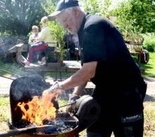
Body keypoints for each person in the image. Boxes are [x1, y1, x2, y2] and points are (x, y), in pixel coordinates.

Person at [44, 0, 147, 137]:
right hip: (105, 91)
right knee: (95, 132)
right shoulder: (83, 31)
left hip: (126, 92)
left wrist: (59, 86)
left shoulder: (92, 26)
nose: (64, 25)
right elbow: (85, 71)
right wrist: (75, 96)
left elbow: (89, 71)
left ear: (75, 11)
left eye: (65, 19)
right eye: (61, 22)